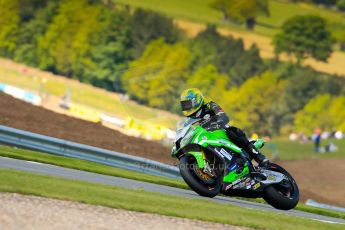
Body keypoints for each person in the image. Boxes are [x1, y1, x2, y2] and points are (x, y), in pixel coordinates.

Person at [180, 88, 269, 167]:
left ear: (197, 100)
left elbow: (223, 116)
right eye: (184, 105)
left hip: (220, 131)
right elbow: (185, 131)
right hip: (205, 139)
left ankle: (258, 156)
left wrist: (218, 122)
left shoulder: (210, 106)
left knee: (233, 131)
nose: (186, 107)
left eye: (187, 104)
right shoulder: (189, 120)